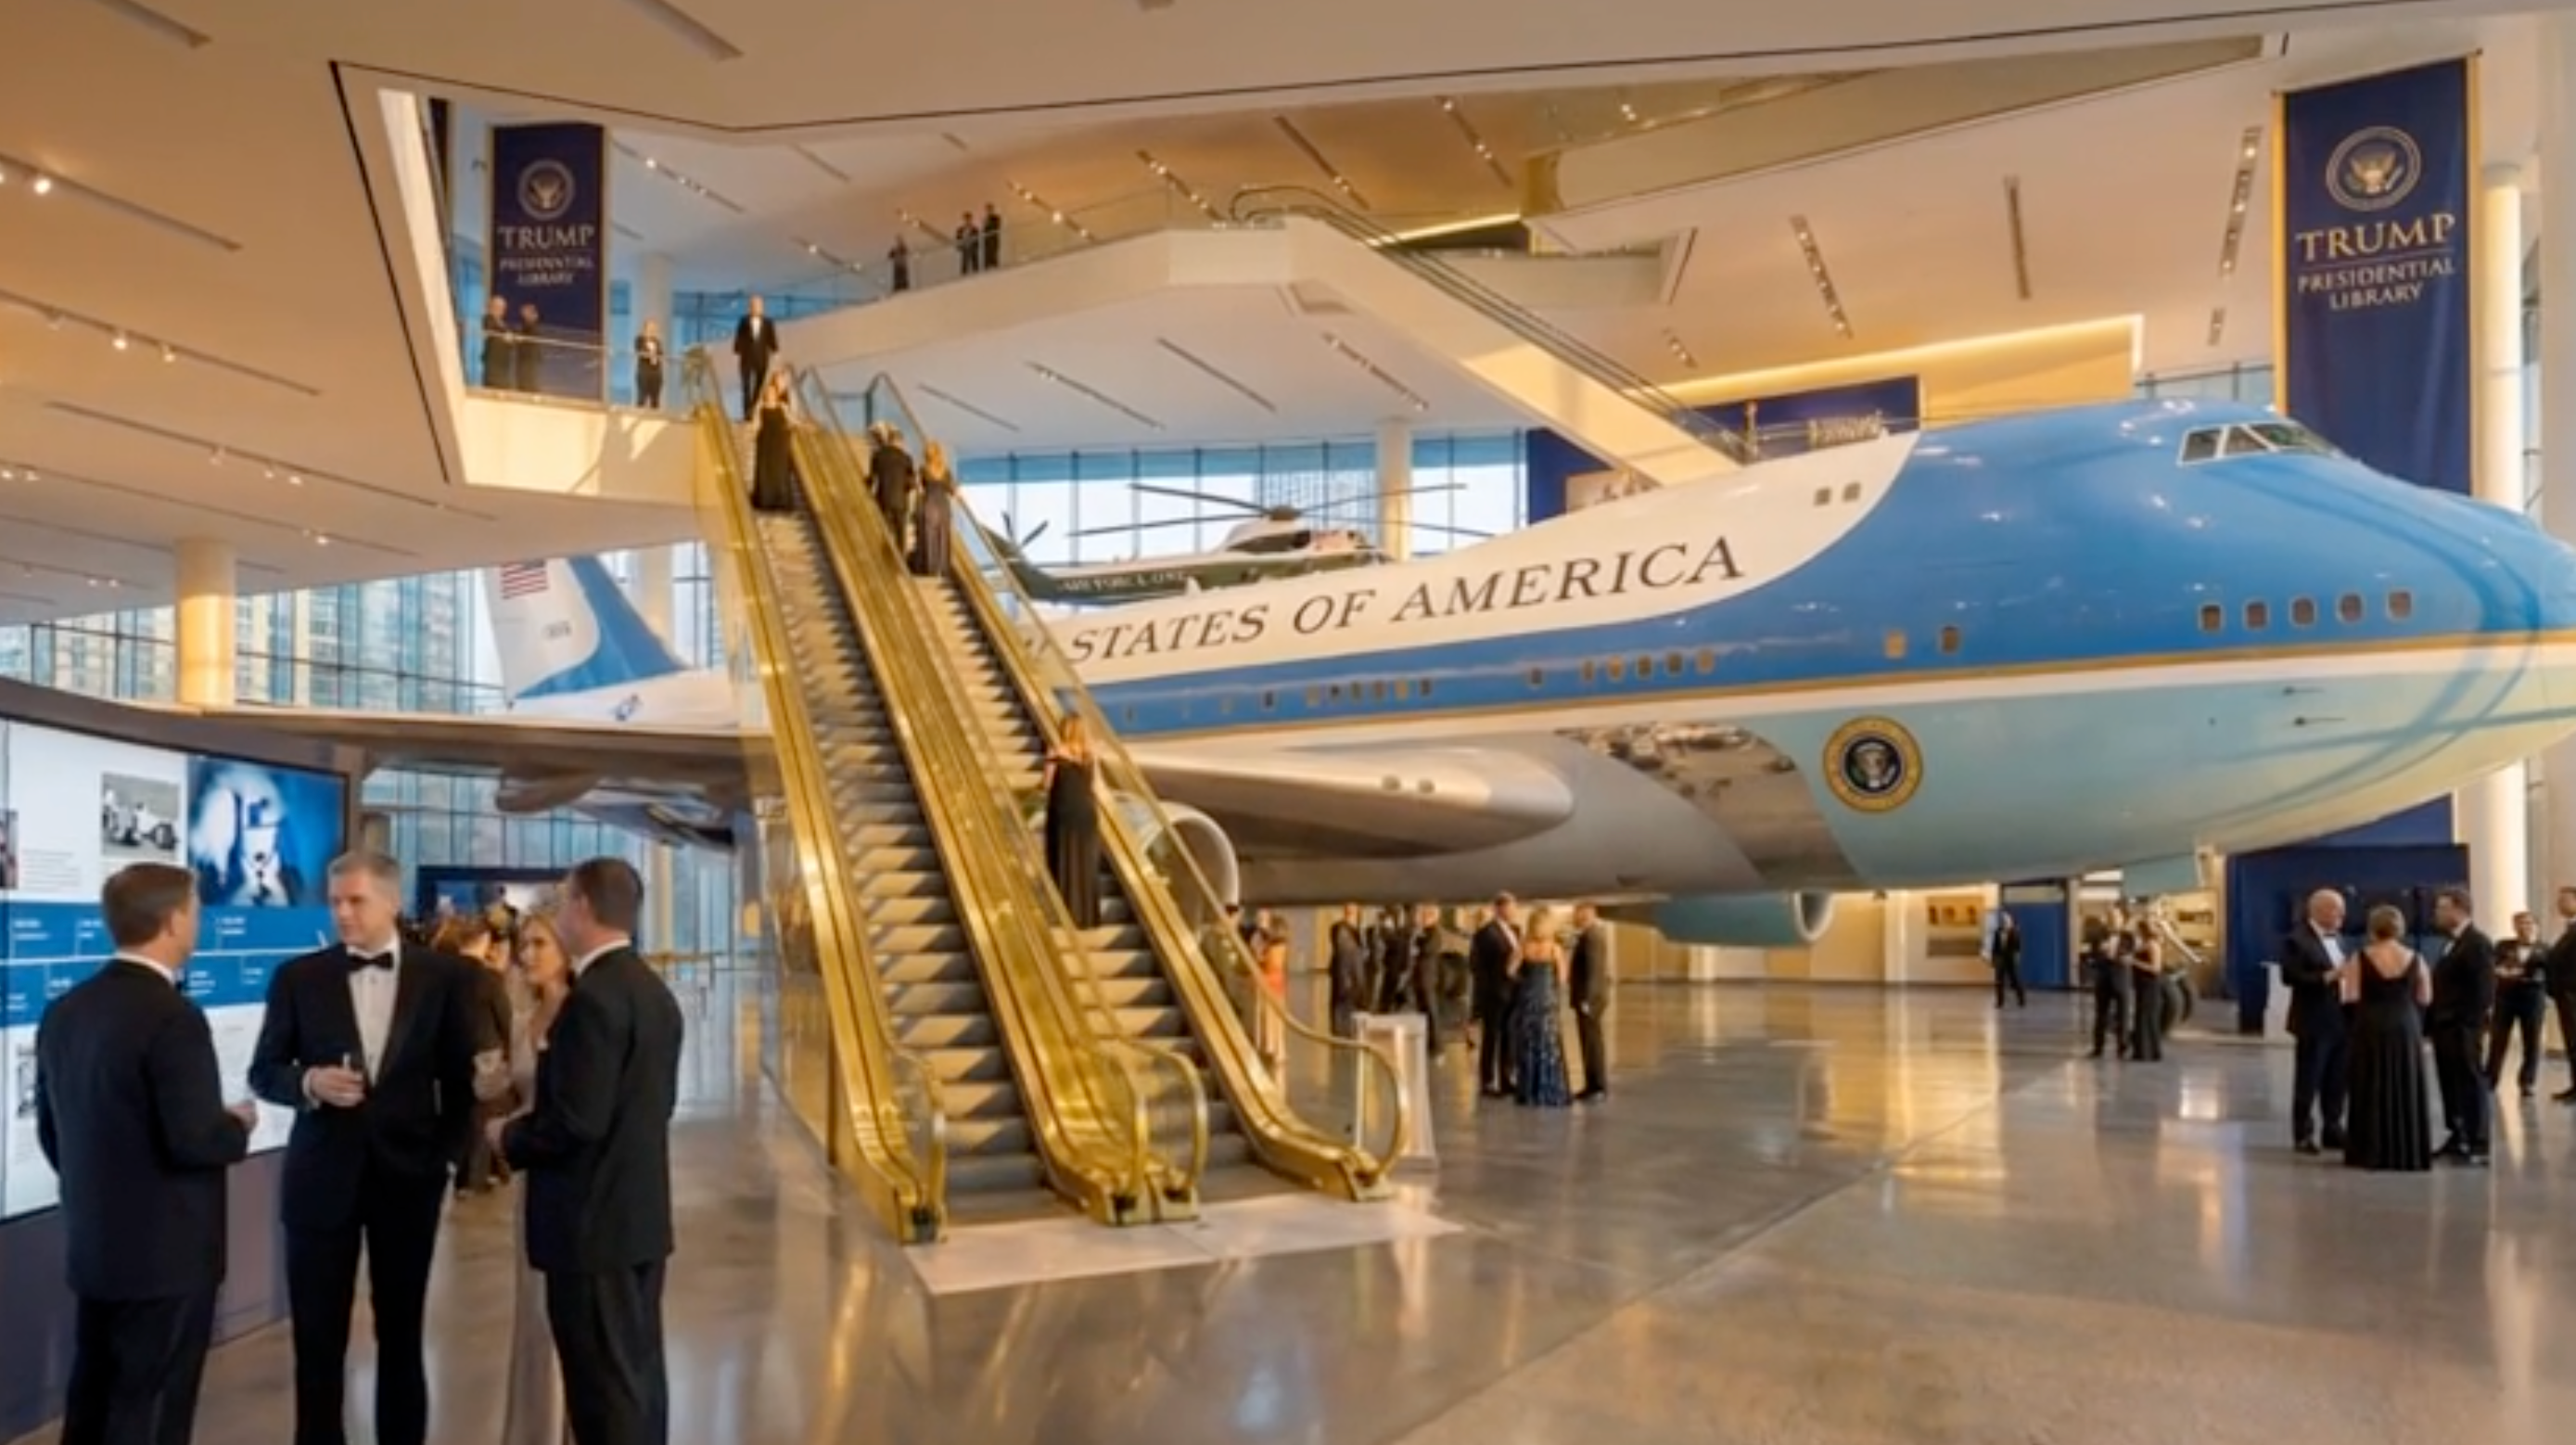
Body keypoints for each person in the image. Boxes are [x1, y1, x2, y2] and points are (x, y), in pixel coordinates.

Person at [249, 851, 496, 1445]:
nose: (342, 913)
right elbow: (264, 1071)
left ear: (391, 900)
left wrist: (444, 1156)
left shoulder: (446, 978)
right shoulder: (298, 978)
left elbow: (466, 1084)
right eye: (335, 902)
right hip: (319, 1180)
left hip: (408, 1179)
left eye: (355, 901)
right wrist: (308, 1083)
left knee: (403, 1333)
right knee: (317, 1339)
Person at [34, 863, 257, 1445]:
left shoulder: (65, 1011)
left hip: (96, 1246)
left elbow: (53, 1135)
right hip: (169, 1256)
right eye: (197, 910)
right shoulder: (173, 1017)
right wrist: (236, 1125)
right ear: (173, 919)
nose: (198, 922)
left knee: (94, 1401)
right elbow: (195, 1139)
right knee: (154, 1410)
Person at [498, 859, 684, 1445]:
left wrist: (506, 1138)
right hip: (639, 1221)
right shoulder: (653, 993)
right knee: (637, 1379)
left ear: (581, 907)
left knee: (601, 1394)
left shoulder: (593, 1001)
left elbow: (576, 1122)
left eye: (561, 903)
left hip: (590, 1229)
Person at [494, 914, 575, 1445]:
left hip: (572, 1178)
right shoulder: (523, 1014)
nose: (528, 954)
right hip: (530, 1179)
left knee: (570, 1310)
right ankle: (533, 1428)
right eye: (524, 945)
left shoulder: (583, 1014)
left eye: (540, 943)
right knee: (533, 1310)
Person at [2341, 903, 2434, 1172]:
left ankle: (2369, 1150)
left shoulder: (2359, 958)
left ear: (2372, 928)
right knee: (2405, 1085)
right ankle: (2407, 1151)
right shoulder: (2416, 958)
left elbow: (2350, 996)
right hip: (2406, 1026)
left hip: (2370, 1025)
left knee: (2370, 1085)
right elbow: (2425, 997)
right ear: (2400, 928)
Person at [436, 915, 514, 1196]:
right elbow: (504, 1018)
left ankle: (484, 1170)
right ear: (483, 941)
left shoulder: (444, 975)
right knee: (486, 1114)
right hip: (487, 1053)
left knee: (461, 1113)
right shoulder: (490, 977)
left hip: (452, 1053)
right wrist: (511, 1048)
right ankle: (474, 1178)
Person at [2425, 887, 2494, 1165]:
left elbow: (2483, 990)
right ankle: (2458, 1133)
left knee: (2470, 1080)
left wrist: (2467, 1022)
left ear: (2459, 909)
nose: (2437, 914)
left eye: (2442, 908)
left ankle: (2478, 1141)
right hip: (2445, 1025)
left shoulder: (2477, 943)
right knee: (2450, 1082)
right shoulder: (2450, 942)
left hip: (2463, 1026)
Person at [2278, 889, 2350, 1155]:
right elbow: (2290, 977)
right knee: (2309, 1078)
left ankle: (2333, 1127)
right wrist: (2328, 977)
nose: (2341, 915)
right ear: (2317, 910)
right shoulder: (2296, 940)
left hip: (2340, 1019)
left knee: (2337, 1078)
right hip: (2313, 1019)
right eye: (2335, 910)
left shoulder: (2340, 939)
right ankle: (2303, 1133)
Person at [1041, 711, 1102, 928]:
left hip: (1064, 812)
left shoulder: (1057, 752)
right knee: (1085, 863)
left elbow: (1047, 784)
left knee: (1064, 859)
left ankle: (1066, 913)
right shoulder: (1089, 756)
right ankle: (1087, 916)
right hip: (1086, 812)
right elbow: (1094, 786)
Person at [1511, 908, 1574, 1108]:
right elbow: (1563, 979)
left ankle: (1529, 1091)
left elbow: (1509, 970)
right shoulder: (1555, 949)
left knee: (1528, 1043)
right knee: (1549, 1044)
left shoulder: (1524, 947)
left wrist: (1523, 981)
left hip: (1528, 998)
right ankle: (1549, 1090)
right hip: (1547, 1000)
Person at [2488, 912, 2548, 1098]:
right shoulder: (2502, 945)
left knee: (2532, 1041)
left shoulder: (2546, 949)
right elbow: (2493, 966)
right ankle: (2490, 1078)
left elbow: (2549, 973)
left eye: (2529, 923)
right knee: (2498, 1039)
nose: (2525, 927)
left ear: (2537, 926)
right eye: (2521, 923)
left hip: (2533, 998)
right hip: (2506, 997)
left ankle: (2527, 1081)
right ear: (2514, 927)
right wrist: (2503, 972)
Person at [1469, 893, 1523, 1099]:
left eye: (1514, 907)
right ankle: (1488, 1081)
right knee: (1492, 1037)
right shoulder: (1485, 934)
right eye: (1510, 907)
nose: (1513, 911)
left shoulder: (1516, 931)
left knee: (1509, 1037)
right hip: (1494, 994)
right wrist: (1485, 991)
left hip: (1512, 993)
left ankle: (1507, 1078)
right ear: (1499, 909)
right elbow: (1477, 966)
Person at [1568, 902, 1611, 1101]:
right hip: (1588, 997)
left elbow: (1594, 971)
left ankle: (1598, 1086)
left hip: (1589, 999)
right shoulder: (1589, 934)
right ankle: (1591, 1084)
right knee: (1588, 1042)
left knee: (1592, 1043)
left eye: (1578, 914)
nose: (1575, 917)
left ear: (1588, 914)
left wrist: (1587, 998)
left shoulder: (1592, 936)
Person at [748, 371, 798, 515]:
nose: (770, 394)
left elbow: (791, 421)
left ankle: (780, 500)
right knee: (766, 470)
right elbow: (756, 424)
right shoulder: (761, 408)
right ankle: (765, 499)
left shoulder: (783, 407)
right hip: (765, 442)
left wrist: (800, 426)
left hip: (779, 441)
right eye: (768, 392)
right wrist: (754, 431)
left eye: (772, 392)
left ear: (776, 394)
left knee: (779, 470)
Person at [867, 422, 917, 556]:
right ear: (900, 442)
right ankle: (900, 562)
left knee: (885, 530)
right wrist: (906, 489)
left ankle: (884, 558)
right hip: (901, 501)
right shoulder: (906, 458)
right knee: (901, 533)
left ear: (889, 440)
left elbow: (872, 478)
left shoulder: (877, 456)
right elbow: (912, 483)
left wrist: (867, 488)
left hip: (883, 500)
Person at [2545, 885, 2576, 1104]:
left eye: (2565, 900)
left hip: (2573, 995)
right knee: (2572, 1043)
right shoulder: (2568, 929)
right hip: (2565, 997)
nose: (2560, 904)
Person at [2085, 910, 2129, 1059]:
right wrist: (2099, 954)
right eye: (2110, 917)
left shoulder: (2128, 936)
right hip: (2103, 979)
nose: (2113, 920)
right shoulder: (2098, 936)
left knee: (2123, 1014)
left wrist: (2118, 955)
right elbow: (2091, 957)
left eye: (2116, 917)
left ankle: (2122, 1047)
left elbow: (2132, 954)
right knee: (2101, 1014)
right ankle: (2098, 1047)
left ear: (2122, 919)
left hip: (2121, 979)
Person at [912, 441, 957, 579]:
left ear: (927, 455)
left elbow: (919, 490)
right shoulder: (946, 471)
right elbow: (953, 491)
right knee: (943, 537)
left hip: (930, 504)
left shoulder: (923, 470)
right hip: (944, 506)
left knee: (929, 537)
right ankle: (943, 569)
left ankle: (931, 569)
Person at [731, 295, 778, 422]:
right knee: (746, 387)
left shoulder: (768, 322)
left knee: (760, 386)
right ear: (750, 307)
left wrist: (776, 351)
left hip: (762, 358)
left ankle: (754, 409)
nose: (756, 308)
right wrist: (737, 350)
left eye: (758, 305)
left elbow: (771, 338)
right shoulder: (743, 321)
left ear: (762, 307)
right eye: (753, 305)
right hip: (746, 358)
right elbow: (739, 337)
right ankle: (747, 413)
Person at [1327, 903, 1368, 1039]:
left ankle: (1348, 1030)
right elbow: (1344, 953)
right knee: (1342, 1004)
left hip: (1356, 974)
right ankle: (1340, 1032)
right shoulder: (1340, 929)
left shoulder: (1359, 930)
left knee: (1351, 1004)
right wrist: (1346, 977)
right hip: (1345, 974)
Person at [2126, 922, 2165, 1062]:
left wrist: (2134, 962)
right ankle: (2142, 1050)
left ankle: (2149, 1051)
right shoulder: (2143, 944)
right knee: (2142, 1016)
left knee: (2147, 1016)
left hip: (2150, 985)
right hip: (2142, 985)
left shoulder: (2153, 945)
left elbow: (2155, 968)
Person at [1989, 912, 2027, 1009]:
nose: (2005, 922)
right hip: (2000, 959)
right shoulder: (1997, 932)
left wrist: (2017, 958)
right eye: (2003, 921)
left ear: (2010, 921)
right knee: (1999, 981)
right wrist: (1993, 959)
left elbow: (2018, 947)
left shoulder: (2015, 931)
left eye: (2007, 921)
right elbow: (1994, 946)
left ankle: (2021, 1000)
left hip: (2010, 959)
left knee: (2015, 981)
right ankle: (2000, 1002)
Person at [479, 295, 515, 390]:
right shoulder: (488, 319)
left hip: (503, 367)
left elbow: (511, 342)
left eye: (502, 308)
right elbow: (490, 329)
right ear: (491, 307)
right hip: (492, 366)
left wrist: (509, 338)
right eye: (497, 307)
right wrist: (505, 335)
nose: (500, 310)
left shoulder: (504, 324)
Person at [632, 320, 665, 410]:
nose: (653, 330)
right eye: (650, 328)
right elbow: (640, 352)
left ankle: (655, 417)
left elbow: (661, 354)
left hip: (656, 372)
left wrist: (655, 353)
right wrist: (650, 351)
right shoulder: (639, 339)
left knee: (655, 398)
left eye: (654, 328)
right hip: (644, 371)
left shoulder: (657, 342)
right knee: (642, 397)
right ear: (645, 329)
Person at [981, 203, 1002, 271]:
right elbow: (984, 230)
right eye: (987, 209)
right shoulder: (985, 219)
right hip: (987, 241)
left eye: (989, 209)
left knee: (994, 254)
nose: (988, 211)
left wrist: (988, 223)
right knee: (987, 255)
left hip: (993, 239)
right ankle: (987, 268)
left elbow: (996, 227)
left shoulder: (996, 218)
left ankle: (995, 268)